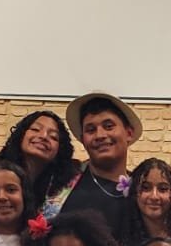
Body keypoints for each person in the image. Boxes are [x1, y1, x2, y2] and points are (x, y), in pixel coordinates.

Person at [0, 110, 79, 220]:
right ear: (21, 135)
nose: (43, 136)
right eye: (35, 129)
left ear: (60, 150)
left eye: (53, 137)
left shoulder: (62, 186)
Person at [50, 92, 141, 237]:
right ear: (82, 140)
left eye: (109, 126)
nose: (100, 135)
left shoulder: (142, 191)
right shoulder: (60, 182)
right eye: (91, 130)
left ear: (129, 133)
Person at [120, 157, 171, 246]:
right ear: (134, 192)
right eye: (146, 188)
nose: (154, 196)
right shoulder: (122, 245)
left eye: (162, 189)